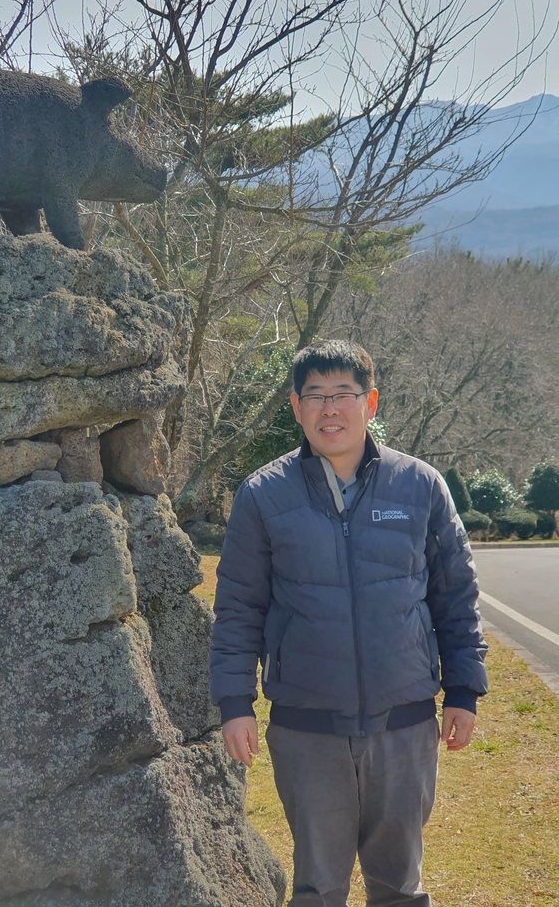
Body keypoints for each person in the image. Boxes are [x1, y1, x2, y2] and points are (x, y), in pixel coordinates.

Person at [209, 339, 487, 907]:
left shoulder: (420, 486)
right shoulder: (262, 496)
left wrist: (463, 689)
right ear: (295, 408)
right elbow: (239, 607)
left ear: (371, 402)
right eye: (315, 397)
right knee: (317, 889)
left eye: (343, 395)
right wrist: (235, 703)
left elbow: (455, 596)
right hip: (306, 728)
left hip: (404, 724)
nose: (329, 409)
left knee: (399, 887)